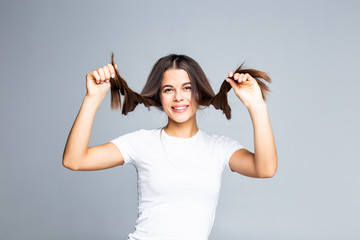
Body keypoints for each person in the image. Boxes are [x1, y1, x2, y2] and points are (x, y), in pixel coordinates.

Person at [62, 53, 277, 240]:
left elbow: (265, 169)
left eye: (187, 88)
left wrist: (256, 105)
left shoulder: (219, 148)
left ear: (199, 93)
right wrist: (92, 98)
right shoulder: (141, 142)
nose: (178, 97)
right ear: (159, 95)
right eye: (168, 89)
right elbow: (74, 160)